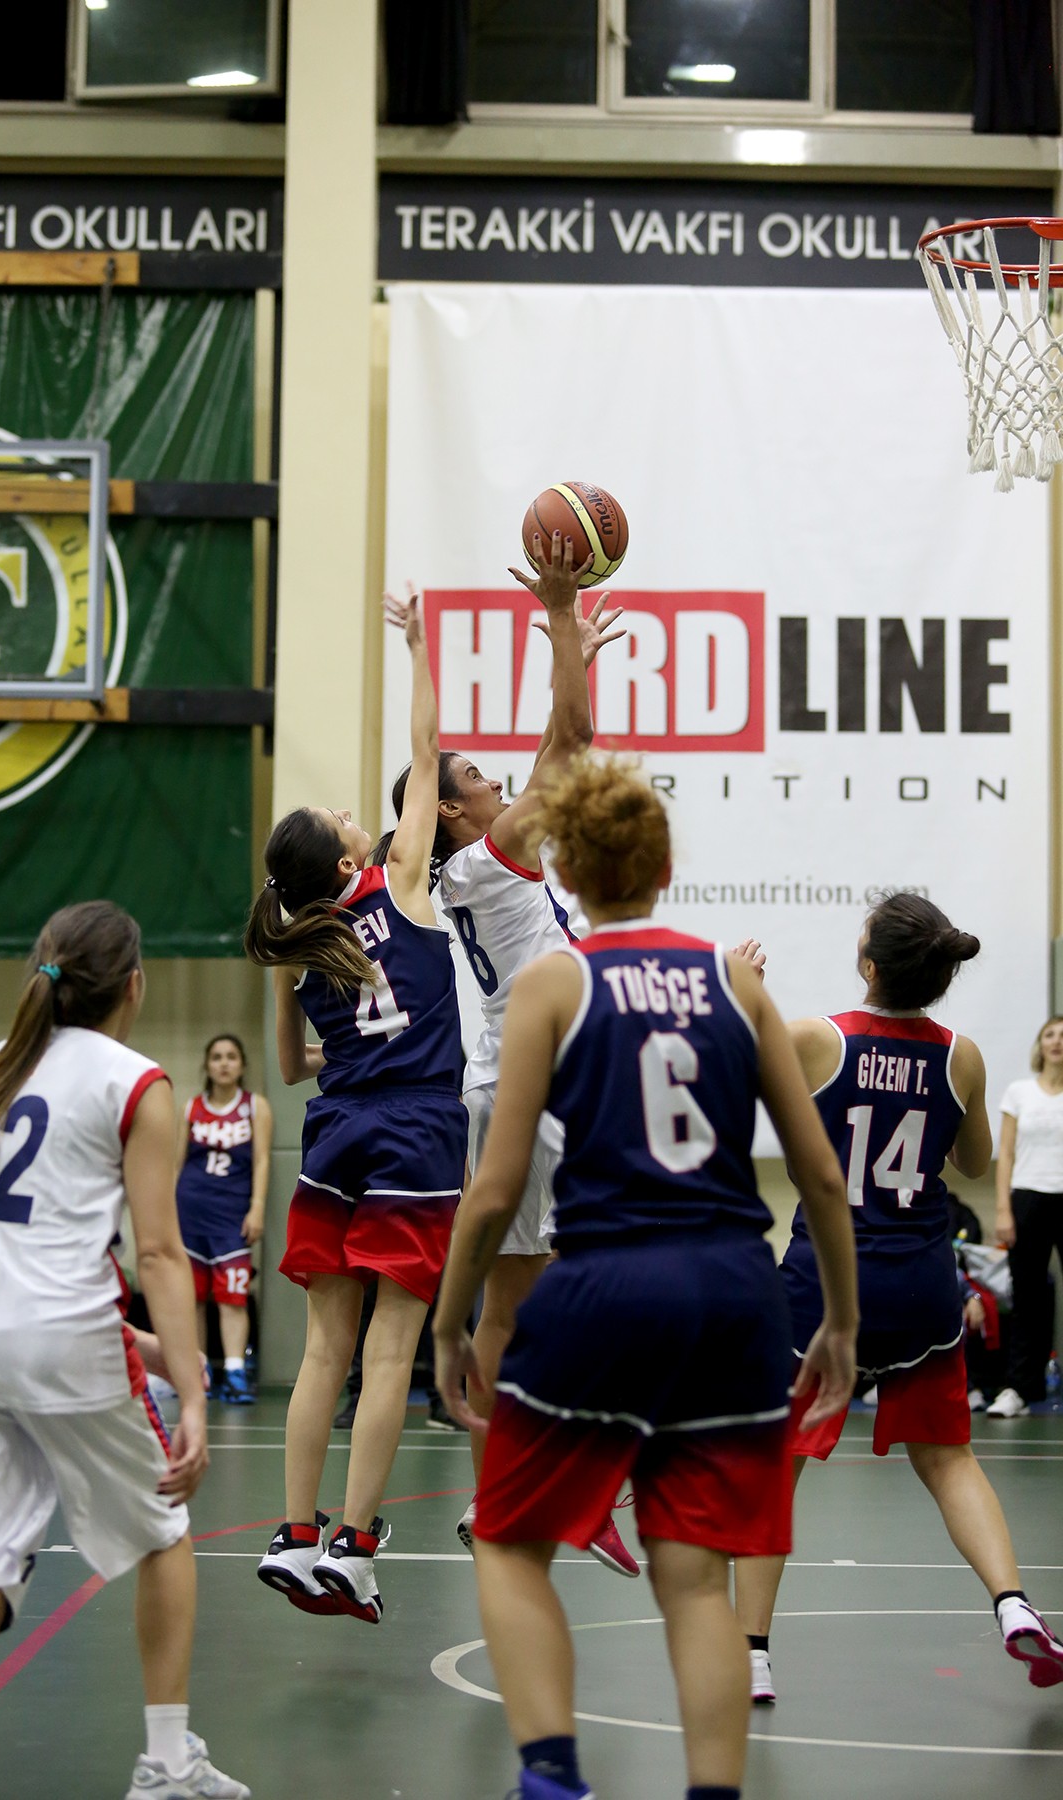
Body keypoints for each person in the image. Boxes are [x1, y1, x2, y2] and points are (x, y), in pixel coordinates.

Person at [434, 756, 859, 1800]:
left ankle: (551, 1776)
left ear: (568, 874)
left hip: (607, 1285)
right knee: (695, 1578)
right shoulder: (736, 982)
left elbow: (495, 1192)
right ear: (666, 867)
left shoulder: (553, 982)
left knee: (509, 1542)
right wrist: (842, 1322)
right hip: (734, 1292)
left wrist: (449, 1326)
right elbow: (819, 1174)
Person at [0, 900, 247, 1800]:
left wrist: (147, 1348)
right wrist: (194, 1394)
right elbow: (159, 1253)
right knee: (164, 1534)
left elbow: (16, 1262)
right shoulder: (137, 1081)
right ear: (134, 987)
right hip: (57, 1337)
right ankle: (167, 1764)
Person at [377, 530, 640, 1576]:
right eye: (478, 776)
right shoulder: (488, 862)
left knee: (520, 1307)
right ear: (453, 810)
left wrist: (570, 642)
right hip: (533, 1097)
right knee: (577, 1289)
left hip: (520, 1093)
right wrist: (563, 618)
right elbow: (570, 742)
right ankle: (568, 1485)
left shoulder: (478, 867)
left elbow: (558, 749)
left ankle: (509, 1497)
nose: (497, 780)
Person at [735, 892, 1063, 1702]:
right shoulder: (962, 1056)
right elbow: (975, 1165)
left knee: (778, 1463)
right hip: (920, 1286)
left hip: (824, 1283)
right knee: (948, 1458)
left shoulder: (818, 1038)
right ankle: (1014, 1604)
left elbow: (730, 1078)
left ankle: (752, 1654)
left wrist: (744, 995)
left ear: (869, 963)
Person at [249, 589, 468, 1625]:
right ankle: (357, 1544)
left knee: (323, 1352)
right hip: (416, 1129)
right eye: (343, 820)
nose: (354, 811)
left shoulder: (300, 950)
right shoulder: (401, 883)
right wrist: (420, 648)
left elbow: (291, 1069)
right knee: (389, 1352)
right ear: (350, 864)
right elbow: (425, 756)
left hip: (335, 1130)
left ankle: (294, 1536)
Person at [175, 1034, 272, 1404]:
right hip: (190, 1210)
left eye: (231, 1056)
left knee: (233, 1295)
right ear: (207, 1065)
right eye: (216, 1057)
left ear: (242, 1064)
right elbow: (177, 1163)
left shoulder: (254, 1106)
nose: (224, 1063)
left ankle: (234, 1371)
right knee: (192, 1297)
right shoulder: (191, 1107)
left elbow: (262, 1160)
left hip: (232, 1214)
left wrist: (257, 1207)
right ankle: (197, 1371)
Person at [987, 1015, 1063, 1417]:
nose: (1057, 1041)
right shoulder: (1019, 1092)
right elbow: (1006, 1154)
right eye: (1050, 1034)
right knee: (1027, 1298)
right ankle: (1020, 1388)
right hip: (1028, 1199)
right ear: (1040, 1045)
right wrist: (1004, 1209)